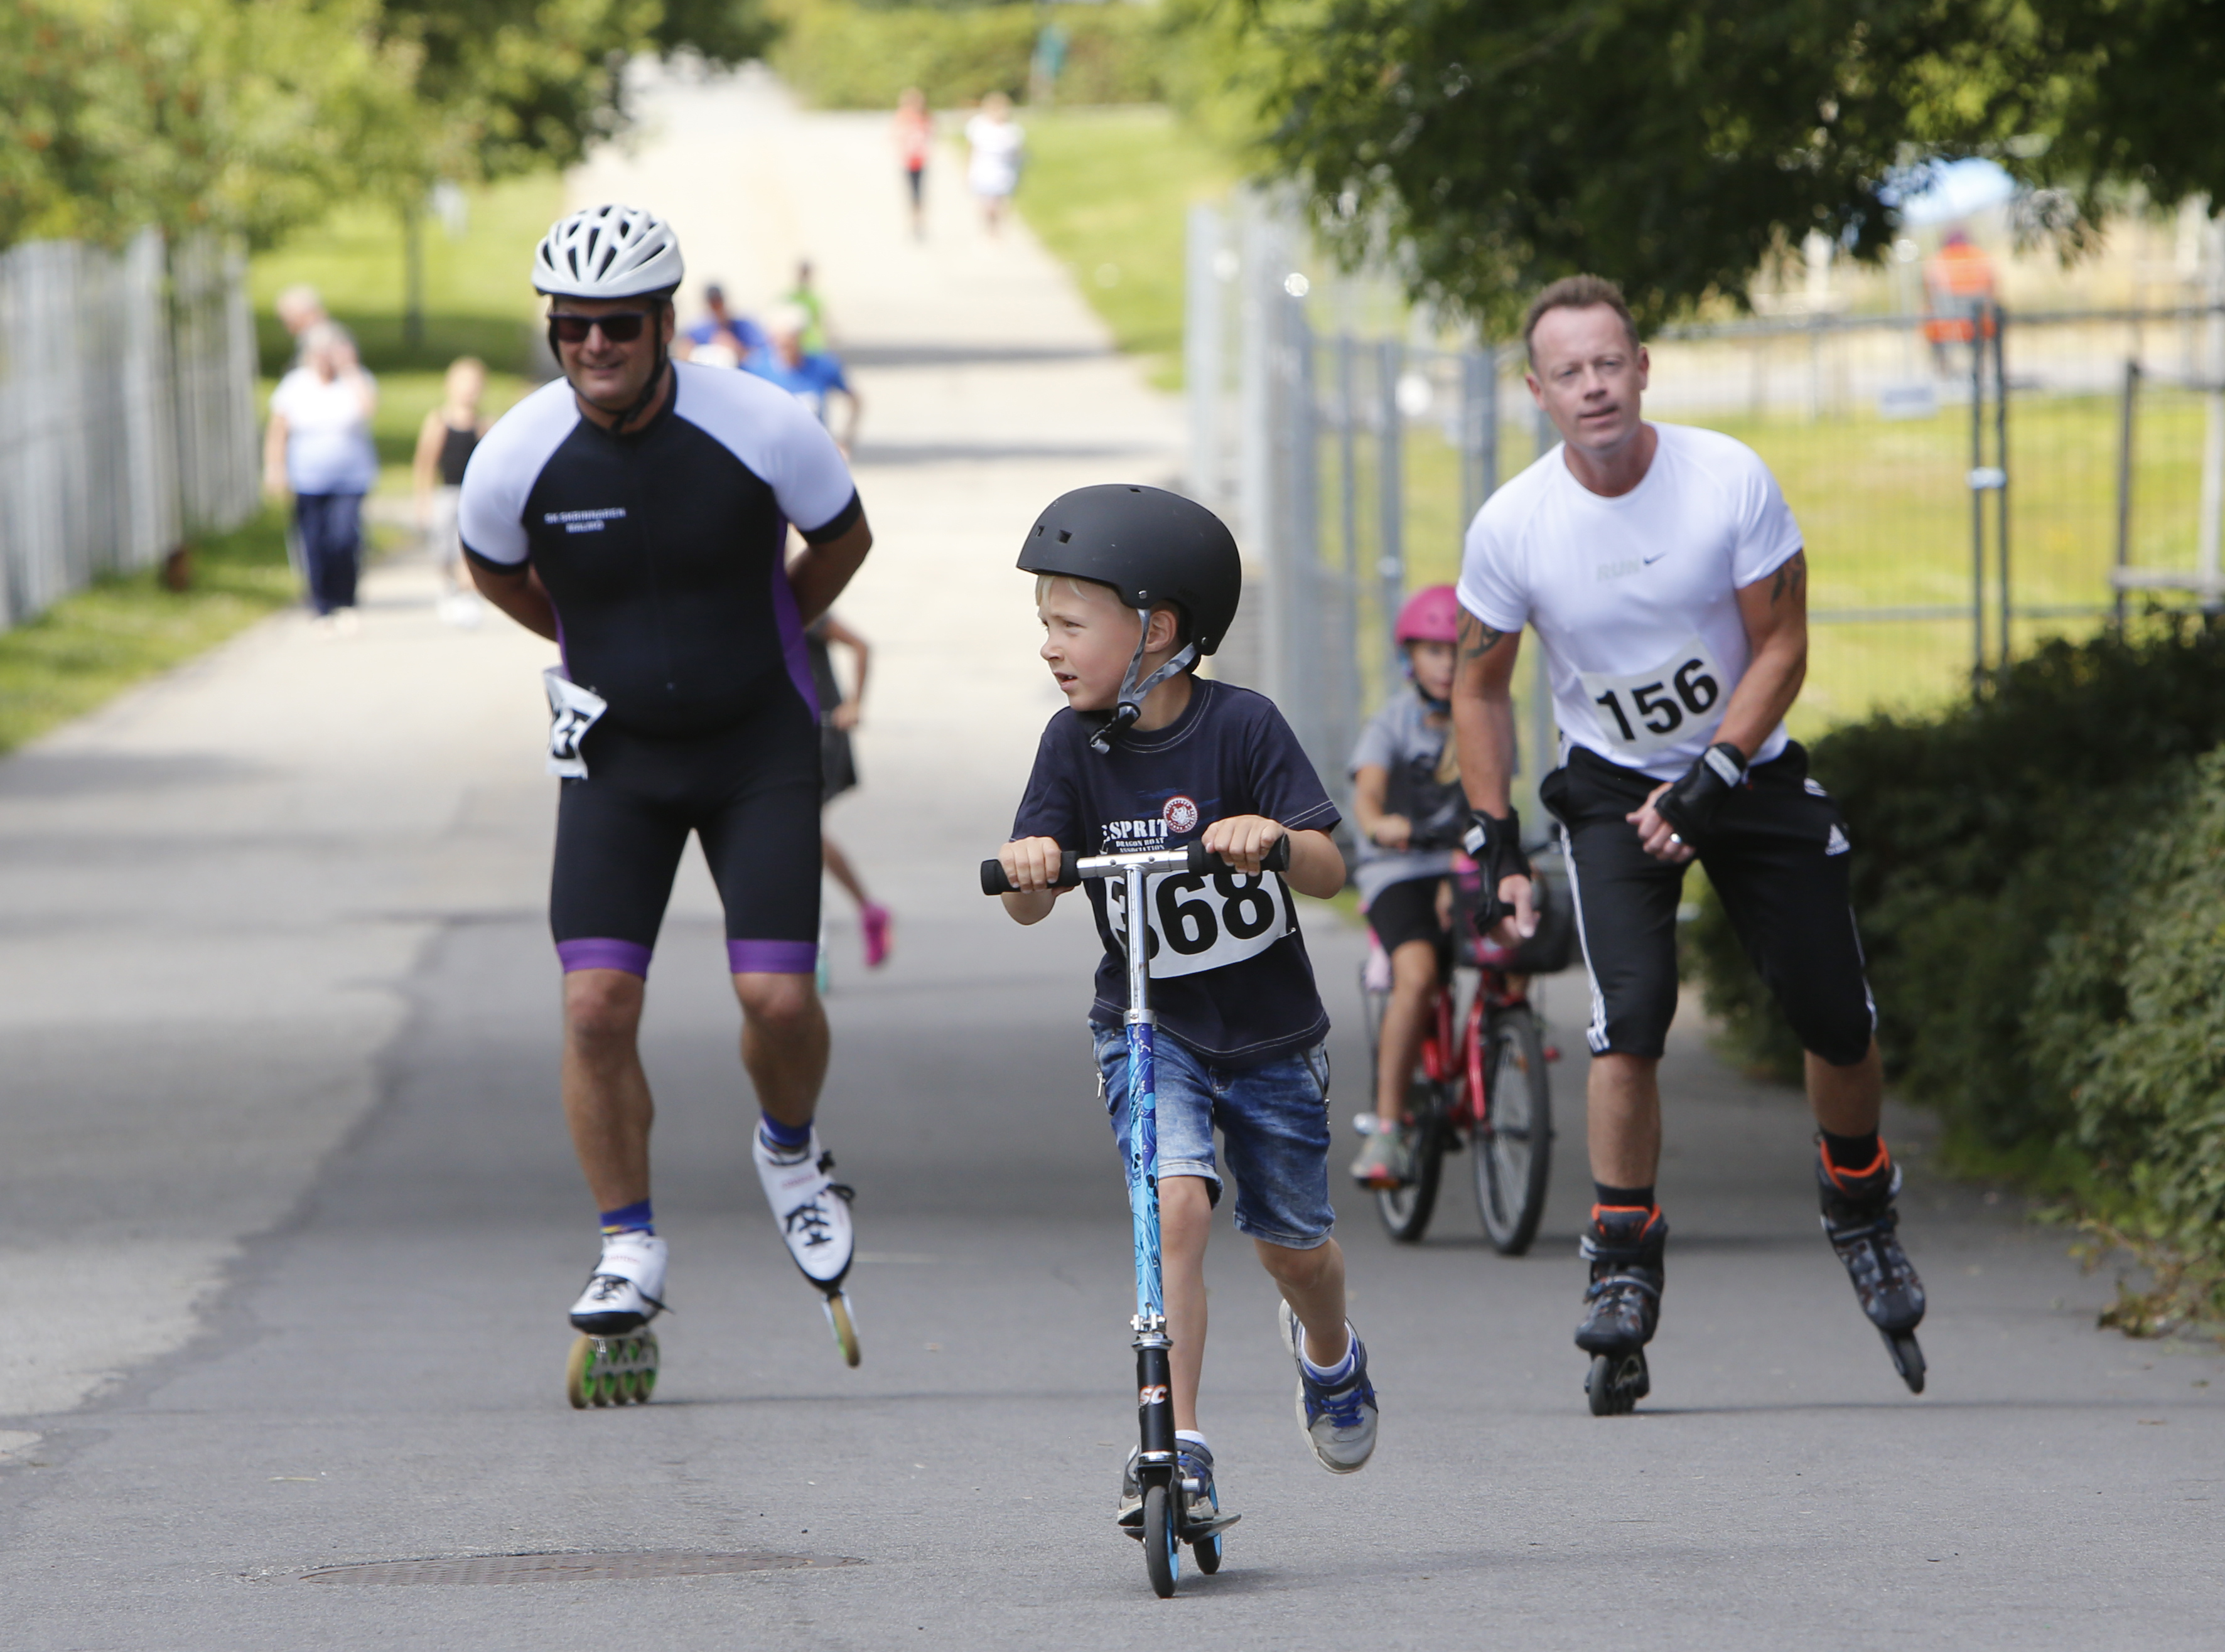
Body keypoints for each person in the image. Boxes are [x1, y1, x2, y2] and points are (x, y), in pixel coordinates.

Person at [1450, 274, 1926, 1404]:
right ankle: (1621, 1258)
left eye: (1608, 362)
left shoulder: (1725, 478)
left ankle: (1859, 1199)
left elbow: (1783, 644)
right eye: (1567, 372)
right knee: (1629, 1017)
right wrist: (1493, 840)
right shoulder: (1513, 524)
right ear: (1537, 393)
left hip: (1745, 767)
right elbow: (1478, 689)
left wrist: (1714, 774)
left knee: (1833, 1012)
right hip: (1611, 786)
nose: (1593, 387)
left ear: (1643, 368)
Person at [458, 203, 876, 1353]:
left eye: (618, 324)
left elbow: (843, 540)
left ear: (663, 321)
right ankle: (627, 1242)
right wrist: (589, 647)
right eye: (571, 326)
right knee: (595, 1005)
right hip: (619, 757)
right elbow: (495, 573)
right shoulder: (515, 454)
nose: (594, 344)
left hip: (757, 746)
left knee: (777, 999)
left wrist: (768, 634)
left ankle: (790, 1151)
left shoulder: (763, 423)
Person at [995, 485, 1379, 1535]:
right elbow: (1029, 901)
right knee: (1175, 1205)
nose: (1049, 647)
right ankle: (1180, 1445)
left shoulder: (1243, 727)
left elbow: (1330, 870)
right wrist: (1031, 865)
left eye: (1070, 624)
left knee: (1294, 1248)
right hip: (1150, 1025)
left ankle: (1329, 1353)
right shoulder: (1072, 746)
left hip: (1270, 1036)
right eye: (1044, 624)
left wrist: (1274, 839)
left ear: (1157, 630)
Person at [1347, 584, 1470, 1189]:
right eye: (1434, 651)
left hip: (1461, 865)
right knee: (1417, 975)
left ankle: (1507, 1040)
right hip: (1398, 871)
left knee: (1522, 935)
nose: (1447, 665)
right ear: (1409, 658)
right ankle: (1388, 1127)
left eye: (1458, 652)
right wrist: (1378, 823)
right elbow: (1367, 791)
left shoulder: (1484, 715)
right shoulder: (1393, 721)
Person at [263, 321, 377, 633]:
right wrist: (275, 468)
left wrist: (349, 369)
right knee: (313, 541)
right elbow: (279, 429)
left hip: (350, 477)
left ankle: (346, 598)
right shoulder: (295, 385)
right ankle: (321, 603)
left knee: (344, 537)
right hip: (308, 478)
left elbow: (368, 408)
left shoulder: (354, 381)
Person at [806, 611, 892, 970]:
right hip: (779, 736)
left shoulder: (801, 608)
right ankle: (868, 910)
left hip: (822, 733)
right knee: (798, 834)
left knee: (804, 830)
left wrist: (855, 703)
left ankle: (865, 911)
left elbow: (860, 646)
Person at [411, 355, 490, 627]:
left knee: (466, 548)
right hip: (447, 494)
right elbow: (426, 463)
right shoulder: (439, 421)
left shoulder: (483, 423)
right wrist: (423, 500)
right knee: (444, 548)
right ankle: (449, 587)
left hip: (471, 496)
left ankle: (467, 593)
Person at [746, 306, 861, 454]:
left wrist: (846, 440)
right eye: (780, 342)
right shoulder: (757, 368)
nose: (785, 347)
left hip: (815, 451)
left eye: (790, 340)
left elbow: (854, 399)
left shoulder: (822, 365)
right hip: (775, 453)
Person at [964, 92, 1025, 236]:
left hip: (1004, 172)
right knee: (987, 206)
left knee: (1002, 204)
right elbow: (971, 149)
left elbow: (1017, 154)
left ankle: (999, 231)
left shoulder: (1012, 130)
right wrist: (967, 170)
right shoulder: (978, 126)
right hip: (983, 171)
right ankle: (990, 229)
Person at [677, 282, 765, 370]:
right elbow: (683, 354)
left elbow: (760, 356)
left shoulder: (744, 326)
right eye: (713, 305)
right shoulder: (698, 331)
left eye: (719, 303)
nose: (717, 309)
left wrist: (736, 350)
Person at [893, 88, 932, 239]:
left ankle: (919, 222)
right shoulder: (903, 117)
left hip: (921, 160)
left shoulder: (925, 116)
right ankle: (912, 223)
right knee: (911, 194)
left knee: (920, 194)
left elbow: (930, 135)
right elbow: (897, 136)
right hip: (908, 161)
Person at [779, 260, 831, 354]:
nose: (804, 278)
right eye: (802, 274)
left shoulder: (815, 299)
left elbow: (820, 323)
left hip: (812, 346)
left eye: (806, 275)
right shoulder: (790, 298)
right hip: (795, 346)